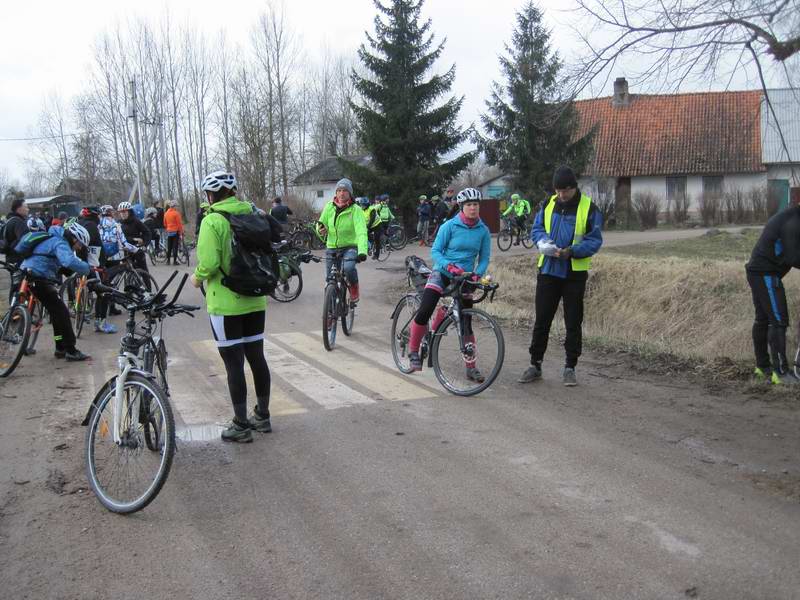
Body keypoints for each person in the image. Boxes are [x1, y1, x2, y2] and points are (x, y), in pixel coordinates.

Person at [190, 170, 273, 443]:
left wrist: (197, 277)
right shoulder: (252, 212)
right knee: (256, 357)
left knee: (233, 363)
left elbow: (210, 263)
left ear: (211, 195)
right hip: (256, 297)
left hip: (226, 303)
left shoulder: (212, 219)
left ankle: (240, 424)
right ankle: (262, 416)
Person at [519, 166, 603, 387]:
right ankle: (535, 364)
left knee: (573, 321)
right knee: (542, 320)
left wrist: (572, 252)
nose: (561, 195)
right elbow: (536, 229)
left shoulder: (589, 208)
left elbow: (594, 240)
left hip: (574, 273)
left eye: (565, 191)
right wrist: (543, 242)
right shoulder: (548, 204)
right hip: (548, 270)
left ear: (574, 188)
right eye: (558, 190)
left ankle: (570, 367)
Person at [405, 187, 491, 380]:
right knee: (426, 308)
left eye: (475, 204)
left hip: (465, 277)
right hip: (442, 272)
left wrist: (477, 274)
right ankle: (413, 351)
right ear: (461, 207)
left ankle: (471, 367)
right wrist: (449, 266)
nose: (473, 208)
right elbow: (436, 251)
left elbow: (484, 258)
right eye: (469, 205)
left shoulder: (483, 230)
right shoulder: (449, 226)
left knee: (466, 322)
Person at [14, 221, 92, 361]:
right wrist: (87, 269)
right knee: (61, 311)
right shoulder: (60, 242)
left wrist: (64, 271)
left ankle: (60, 346)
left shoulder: (52, 238)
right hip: (37, 276)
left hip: (28, 272)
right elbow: (69, 261)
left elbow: (49, 259)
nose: (79, 247)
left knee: (56, 313)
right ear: (74, 238)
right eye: (80, 244)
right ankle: (71, 350)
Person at [745, 203, 800, 384]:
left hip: (759, 271)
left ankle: (763, 367)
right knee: (778, 320)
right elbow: (793, 257)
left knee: (763, 319)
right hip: (765, 273)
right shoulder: (793, 220)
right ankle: (781, 373)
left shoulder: (791, 216)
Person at [317, 178, 368, 303]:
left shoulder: (356, 210)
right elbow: (320, 223)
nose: (341, 193)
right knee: (330, 281)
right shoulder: (329, 206)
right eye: (339, 190)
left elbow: (361, 232)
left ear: (349, 193)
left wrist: (362, 251)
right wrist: (321, 230)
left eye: (344, 190)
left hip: (350, 246)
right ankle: (331, 312)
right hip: (332, 247)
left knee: (349, 268)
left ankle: (354, 286)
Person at [78, 206, 116, 334]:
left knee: (96, 292)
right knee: (104, 293)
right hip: (94, 264)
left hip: (83, 264)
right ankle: (101, 323)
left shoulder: (81, 223)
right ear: (96, 215)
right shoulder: (92, 226)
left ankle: (94, 318)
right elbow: (93, 246)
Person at [117, 201, 152, 273]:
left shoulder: (136, 221)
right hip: (125, 251)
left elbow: (147, 232)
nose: (122, 214)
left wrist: (144, 244)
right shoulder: (118, 223)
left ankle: (147, 284)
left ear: (129, 212)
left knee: (144, 271)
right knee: (127, 272)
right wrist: (133, 239)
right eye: (120, 212)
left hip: (136, 250)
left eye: (124, 212)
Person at [163, 200, 184, 265]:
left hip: (169, 232)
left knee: (169, 247)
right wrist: (181, 233)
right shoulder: (176, 213)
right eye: (176, 206)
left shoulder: (166, 213)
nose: (177, 207)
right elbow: (179, 224)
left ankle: (168, 261)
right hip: (176, 231)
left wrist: (168, 228)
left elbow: (164, 223)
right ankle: (174, 261)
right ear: (174, 206)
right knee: (175, 247)